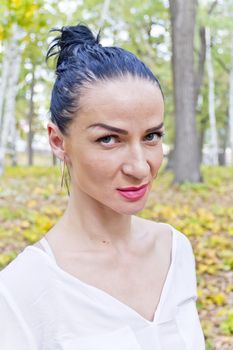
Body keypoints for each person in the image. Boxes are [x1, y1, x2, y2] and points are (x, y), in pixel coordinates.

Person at [0, 23, 205, 349]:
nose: (140, 168)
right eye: (109, 139)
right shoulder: (21, 291)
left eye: (151, 136)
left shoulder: (175, 250)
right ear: (58, 141)